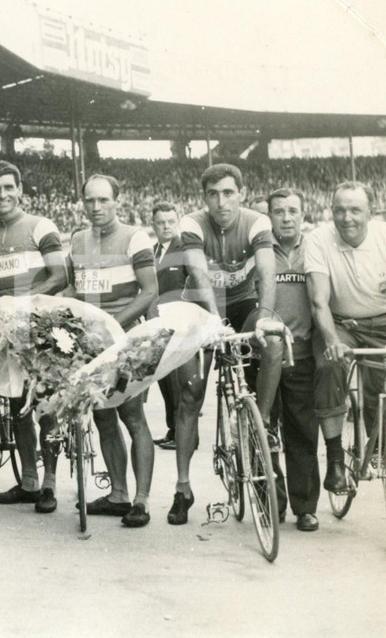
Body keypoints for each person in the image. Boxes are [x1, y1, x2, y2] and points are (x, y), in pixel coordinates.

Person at [169, 163, 285, 525]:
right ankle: (183, 488)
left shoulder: (256, 222)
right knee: (190, 395)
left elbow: (267, 271)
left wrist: (265, 317)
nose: (221, 201)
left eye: (228, 193)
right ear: (204, 198)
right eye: (213, 194)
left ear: (242, 193)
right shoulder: (191, 222)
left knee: (273, 340)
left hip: (243, 303)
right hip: (200, 306)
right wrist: (213, 323)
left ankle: (261, 424)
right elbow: (198, 273)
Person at [66, 174, 158, 528]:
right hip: (91, 342)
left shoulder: (135, 237)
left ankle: (142, 500)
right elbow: (76, 288)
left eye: (103, 200)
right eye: (89, 200)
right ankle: (118, 494)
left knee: (132, 416)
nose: (96, 207)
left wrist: (113, 326)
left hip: (127, 338)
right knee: (103, 416)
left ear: (117, 201)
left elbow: (148, 291)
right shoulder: (77, 240)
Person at [0, 161, 67, 514]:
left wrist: (23, 304)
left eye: (8, 187)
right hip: (4, 330)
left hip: (40, 324)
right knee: (16, 406)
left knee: (43, 407)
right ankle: (28, 481)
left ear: (20, 190)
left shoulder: (40, 225)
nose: (2, 194)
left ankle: (50, 483)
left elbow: (58, 275)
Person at [305, 182, 386, 494]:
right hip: (341, 324)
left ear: (370, 213)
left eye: (355, 210)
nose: (347, 218)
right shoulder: (319, 239)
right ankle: (335, 462)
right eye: (340, 210)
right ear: (331, 212)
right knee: (328, 368)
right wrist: (332, 341)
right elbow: (319, 302)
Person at [267, 188, 321, 532]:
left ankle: (305, 506)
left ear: (302, 214)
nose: (286, 218)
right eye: (278, 212)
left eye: (292, 211)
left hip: (301, 354)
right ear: (268, 215)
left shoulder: (314, 249)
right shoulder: (258, 250)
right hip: (266, 355)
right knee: (265, 431)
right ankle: (271, 501)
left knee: (302, 432)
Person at [149, 201, 186, 450]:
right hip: (157, 323)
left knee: (178, 381)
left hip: (180, 323)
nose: (166, 226)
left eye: (171, 221)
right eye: (161, 222)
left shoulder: (185, 249)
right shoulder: (152, 251)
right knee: (164, 380)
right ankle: (173, 429)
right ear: (154, 225)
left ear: (178, 222)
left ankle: (183, 435)